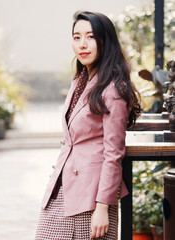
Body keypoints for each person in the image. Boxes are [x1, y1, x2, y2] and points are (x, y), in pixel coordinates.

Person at [35, 11, 141, 240]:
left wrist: (103, 207)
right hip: (64, 186)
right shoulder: (81, 79)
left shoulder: (113, 89)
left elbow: (113, 153)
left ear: (105, 41)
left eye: (90, 37)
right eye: (76, 37)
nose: (82, 44)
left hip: (91, 196)